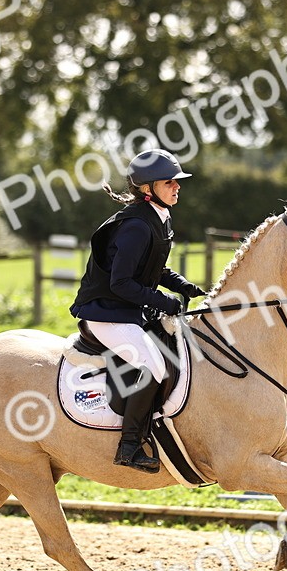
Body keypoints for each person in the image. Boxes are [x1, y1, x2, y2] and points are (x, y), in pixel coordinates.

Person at [69, 149, 206, 473]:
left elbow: (152, 267)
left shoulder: (158, 217)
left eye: (177, 182)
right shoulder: (136, 226)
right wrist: (164, 302)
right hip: (105, 312)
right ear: (148, 188)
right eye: (169, 182)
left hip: (127, 310)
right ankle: (129, 447)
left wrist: (182, 286)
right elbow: (121, 283)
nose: (177, 187)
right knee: (154, 367)